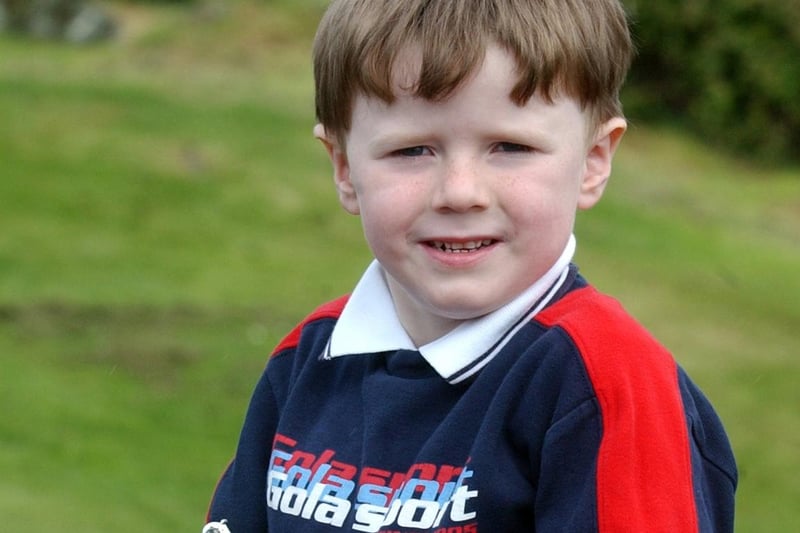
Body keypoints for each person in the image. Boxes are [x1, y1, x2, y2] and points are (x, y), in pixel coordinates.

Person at [205, 0, 738, 531]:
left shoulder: (604, 387)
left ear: (594, 161)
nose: (460, 193)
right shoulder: (306, 359)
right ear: (345, 168)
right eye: (412, 150)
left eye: (510, 146)